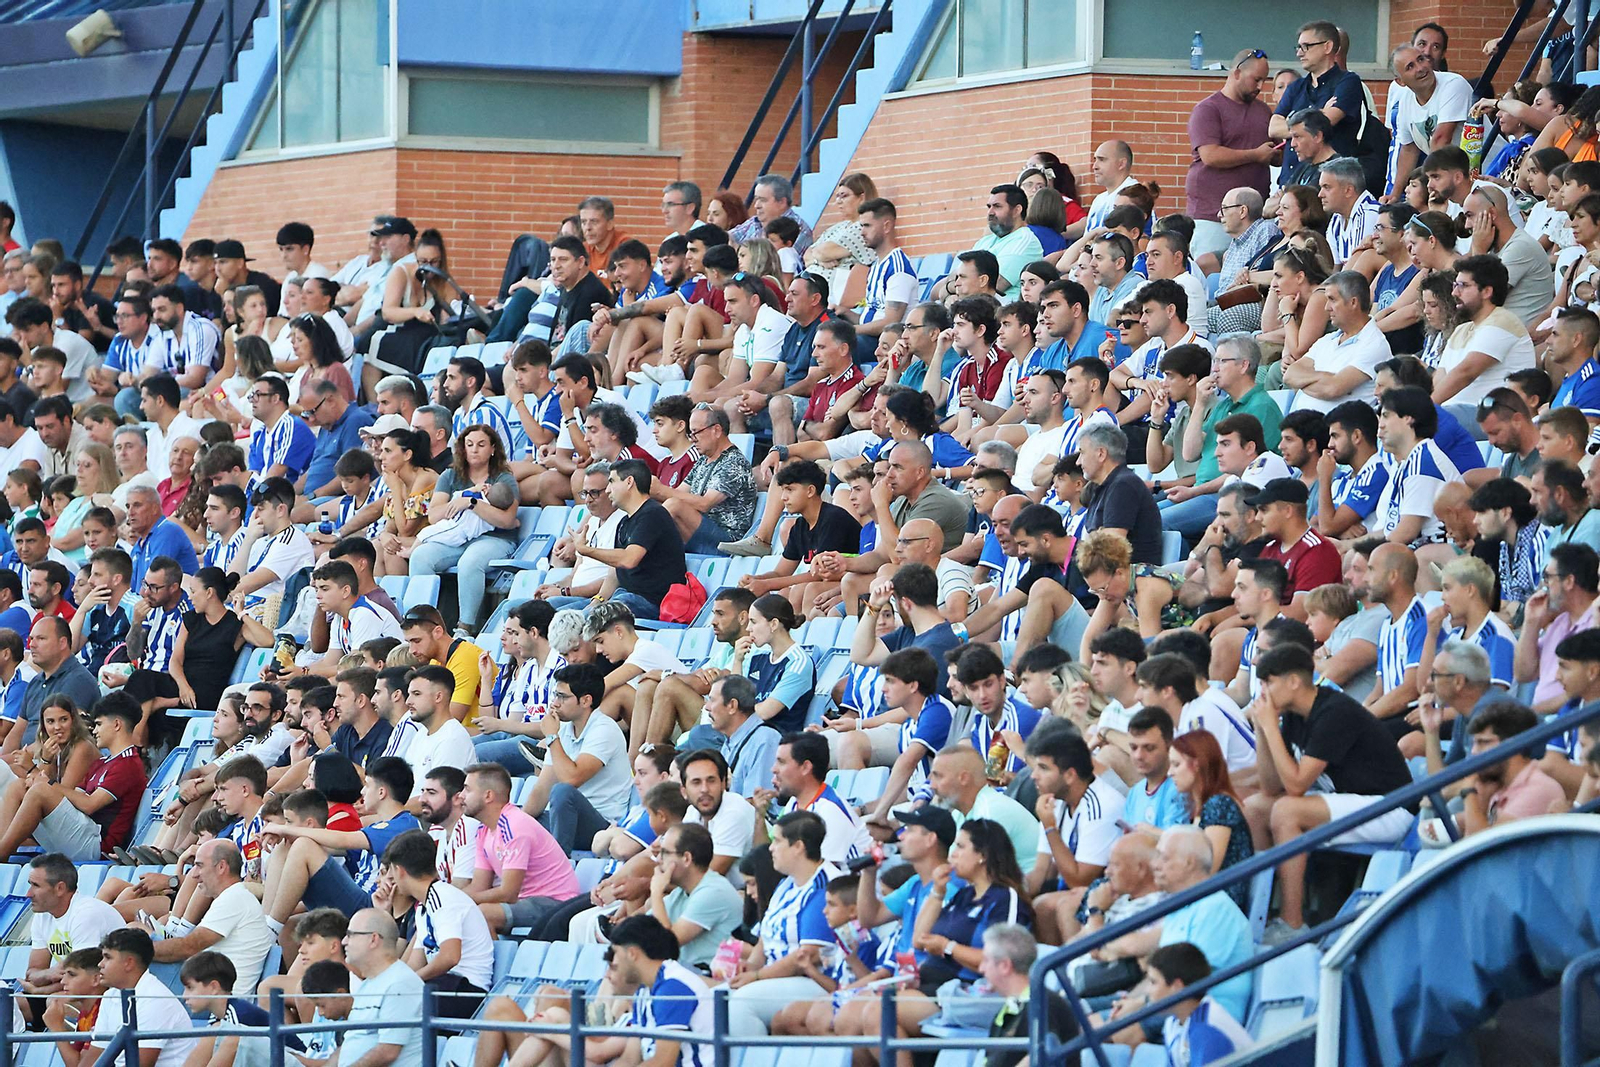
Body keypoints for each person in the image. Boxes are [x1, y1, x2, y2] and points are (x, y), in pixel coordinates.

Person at [1245, 644, 1414, 944]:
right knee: (1257, 807)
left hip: (1389, 807)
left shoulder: (1334, 711)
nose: (1263, 691)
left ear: (1293, 681)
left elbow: (1296, 786)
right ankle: (1261, 911)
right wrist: (1262, 729)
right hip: (1347, 803)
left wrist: (1271, 727)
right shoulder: (1295, 714)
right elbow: (1271, 786)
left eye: (1268, 682)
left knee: (1286, 811)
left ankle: (1292, 925)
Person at [405, 424, 522, 634]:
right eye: (470, 444)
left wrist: (472, 503)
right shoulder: (450, 476)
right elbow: (433, 514)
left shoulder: (503, 479)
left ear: (493, 448)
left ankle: (465, 626)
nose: (474, 449)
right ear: (462, 448)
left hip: (495, 538)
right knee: (420, 556)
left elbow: (506, 520)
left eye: (481, 444)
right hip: (457, 537)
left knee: (470, 561)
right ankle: (422, 623)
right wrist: (456, 503)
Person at [726, 810, 832, 1034]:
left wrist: (756, 976)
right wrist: (752, 966)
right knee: (712, 997)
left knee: (742, 1002)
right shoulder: (786, 884)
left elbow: (807, 954)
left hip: (815, 980)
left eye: (778, 841)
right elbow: (766, 937)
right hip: (774, 976)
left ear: (798, 847)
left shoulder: (824, 886)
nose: (771, 848)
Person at [381, 829, 493, 1020]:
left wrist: (411, 982)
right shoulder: (424, 906)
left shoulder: (443, 898)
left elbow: (450, 957)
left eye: (389, 871)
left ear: (400, 871)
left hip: (465, 989)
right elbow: (413, 964)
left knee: (393, 1010)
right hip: (444, 985)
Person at [1187, 50, 1275, 253]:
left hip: (1254, 220)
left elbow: (1273, 150)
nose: (1261, 87)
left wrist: (1275, 154)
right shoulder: (1208, 109)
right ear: (1236, 73)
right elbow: (1210, 155)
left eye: (1264, 80)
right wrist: (1256, 155)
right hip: (1214, 216)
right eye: (1256, 80)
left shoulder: (1262, 110)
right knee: (1213, 273)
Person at [168, 567, 274, 712]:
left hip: (207, 691)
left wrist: (242, 613)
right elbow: (175, 661)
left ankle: (160, 703)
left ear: (209, 592)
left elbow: (268, 641)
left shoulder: (234, 624)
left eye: (193, 591)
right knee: (141, 679)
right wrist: (183, 686)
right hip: (183, 686)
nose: (189, 597)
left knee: (147, 692)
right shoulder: (192, 619)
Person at [88, 928, 197, 1067]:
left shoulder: (156, 1000)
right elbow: (94, 1055)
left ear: (129, 962)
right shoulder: (110, 995)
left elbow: (139, 1065)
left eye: (108, 957)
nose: (100, 964)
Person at [1143, 942, 1255, 1066]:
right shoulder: (1173, 1023)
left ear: (1177, 987)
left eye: (1153, 982)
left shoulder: (1208, 1031)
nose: (1147, 991)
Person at [339, 909, 426, 1067]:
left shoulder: (400, 983)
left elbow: (388, 1051)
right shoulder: (370, 983)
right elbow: (353, 1041)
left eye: (350, 934)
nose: (344, 941)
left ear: (373, 939)